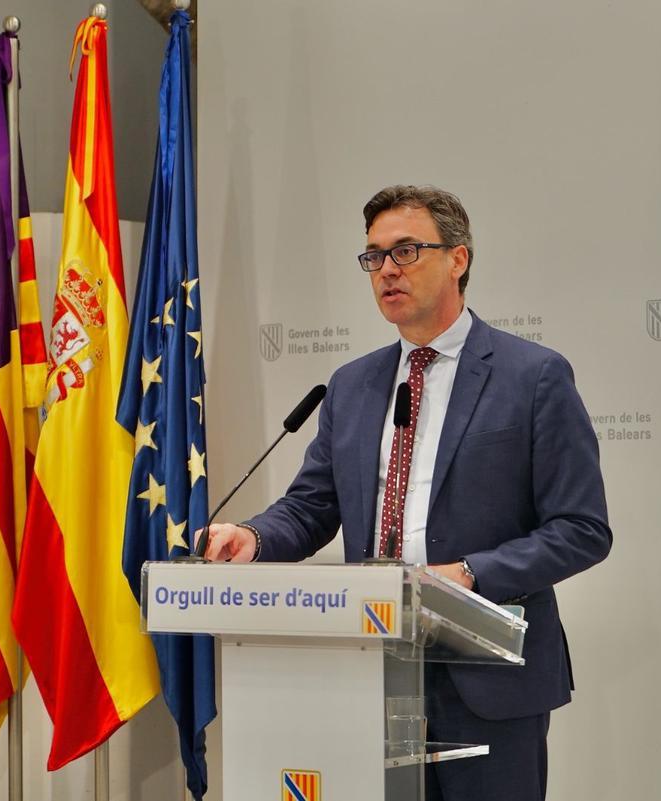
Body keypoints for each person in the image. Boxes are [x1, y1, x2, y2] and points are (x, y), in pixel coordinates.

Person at [201, 185, 612, 801]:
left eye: (406, 251)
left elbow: (581, 529)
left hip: (488, 679)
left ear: (458, 259)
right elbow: (313, 506)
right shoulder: (352, 385)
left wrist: (469, 574)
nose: (387, 269)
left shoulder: (532, 376)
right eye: (374, 256)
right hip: (369, 669)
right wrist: (252, 537)